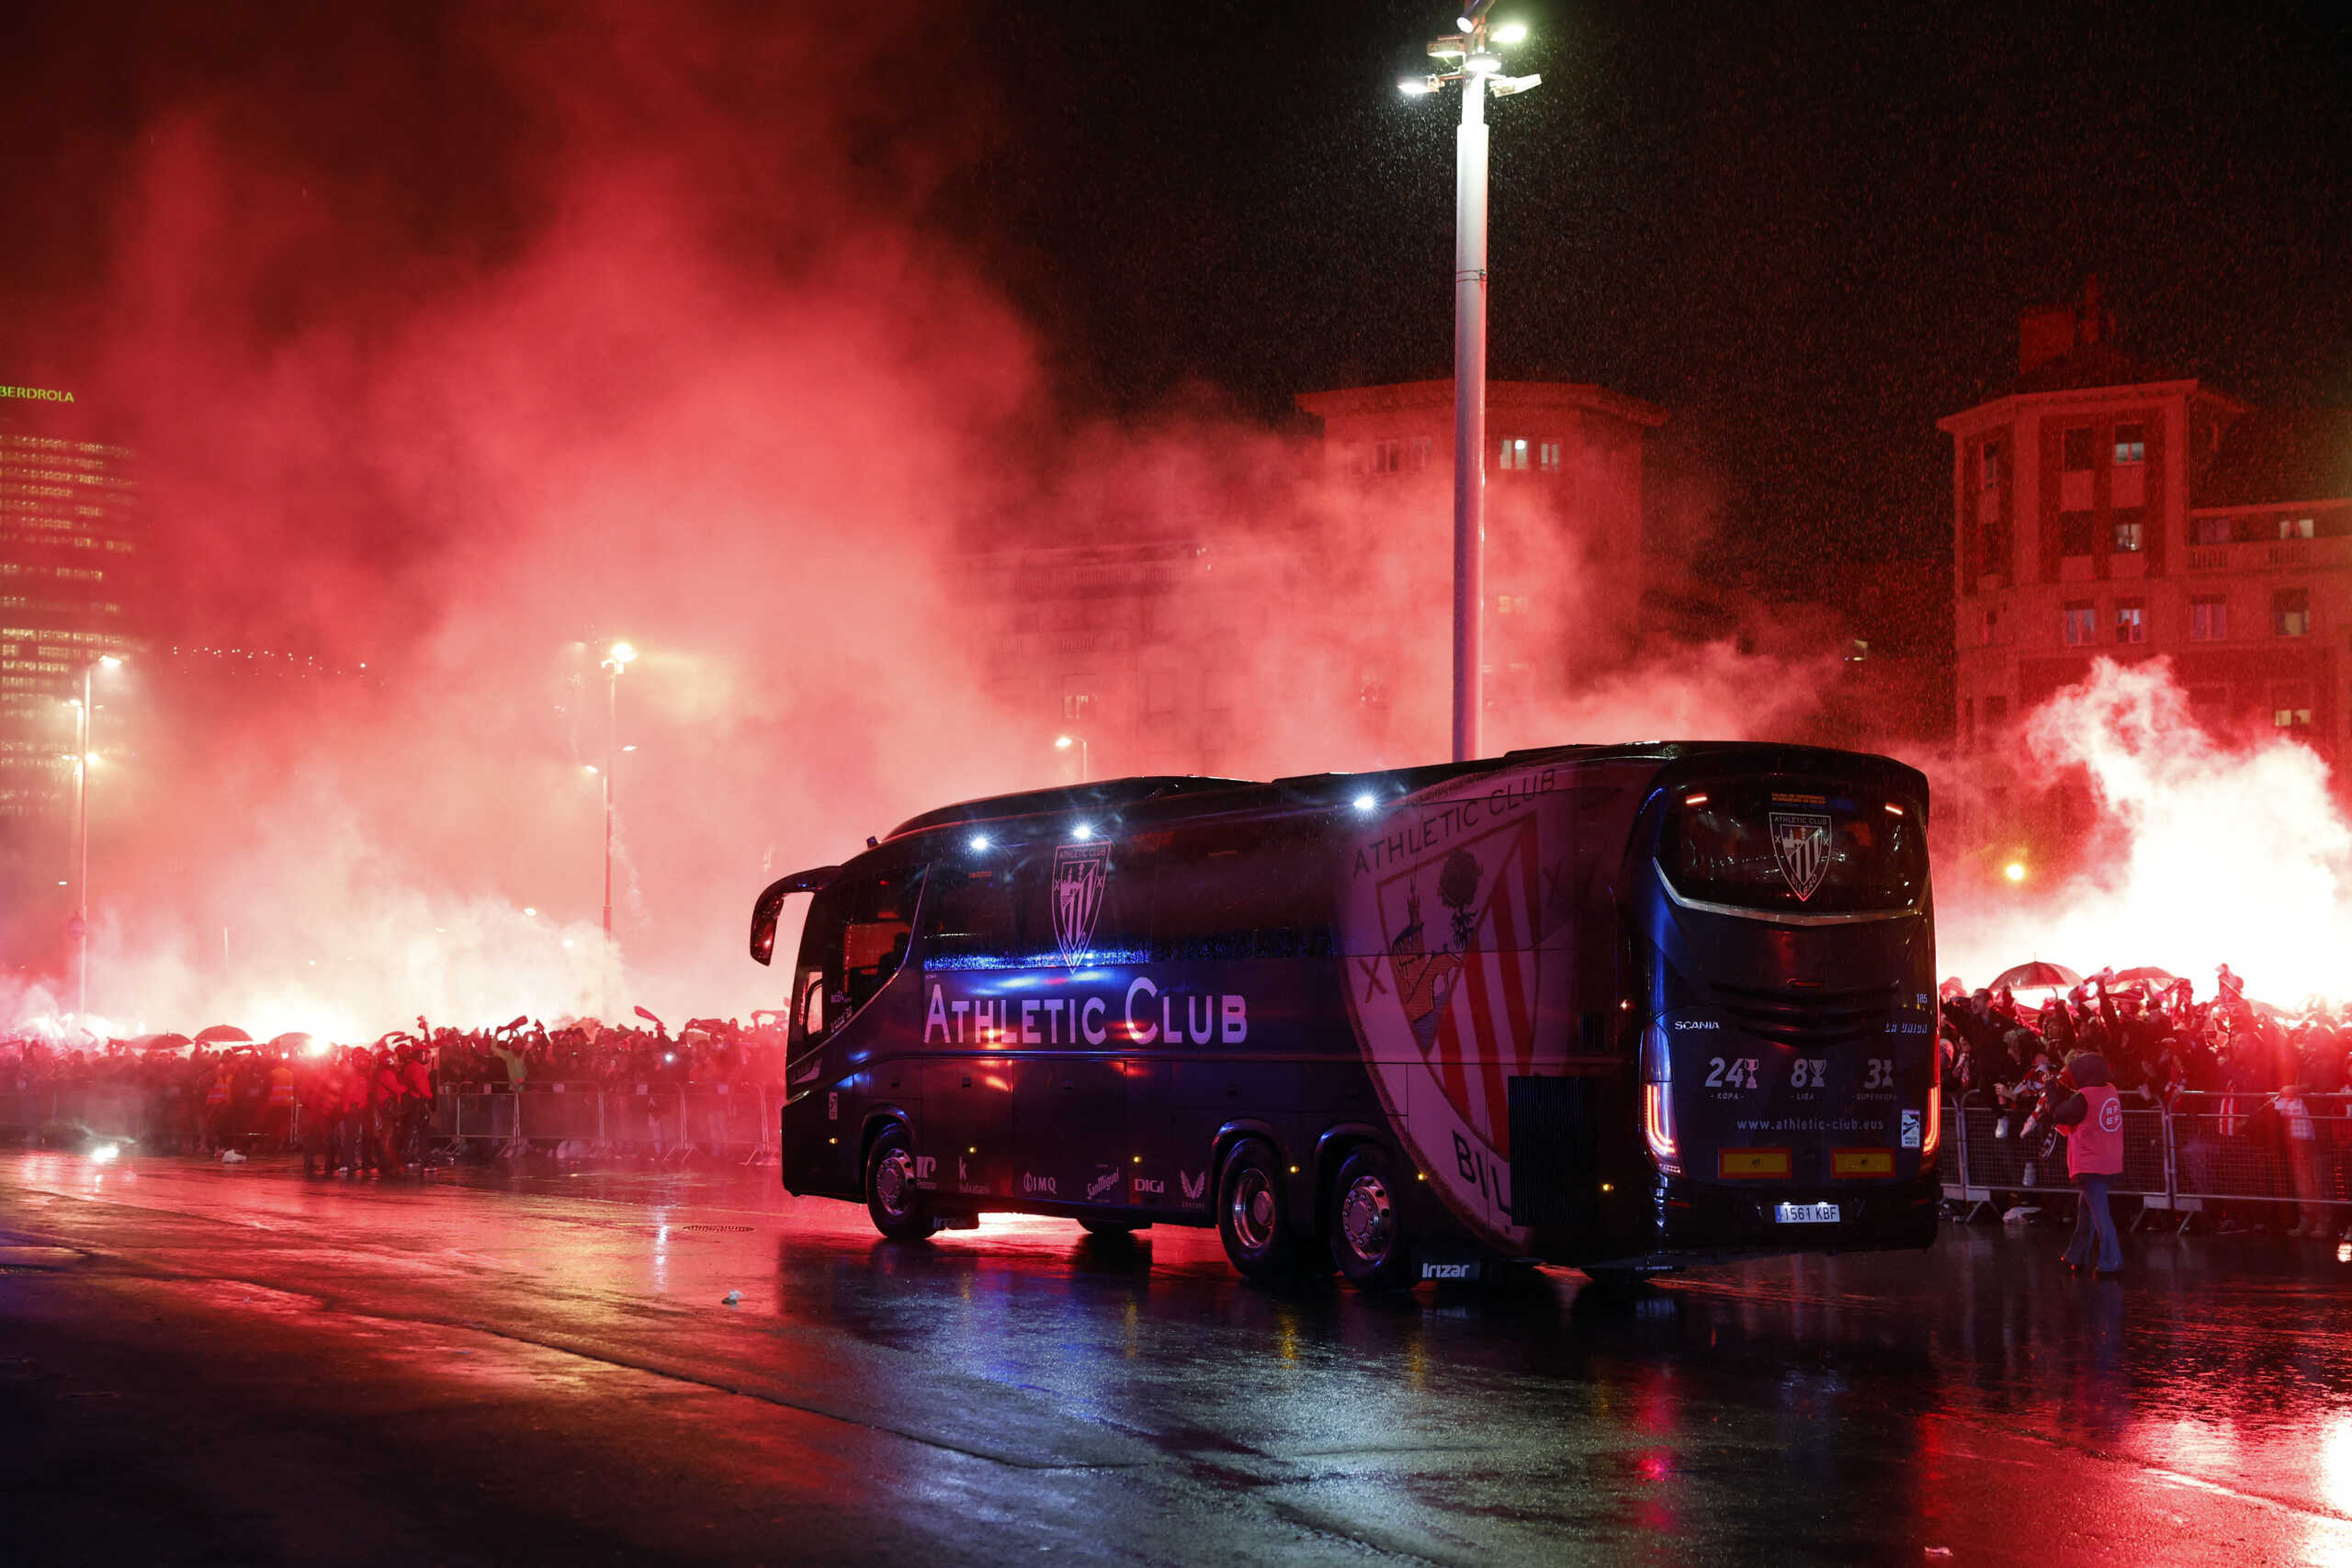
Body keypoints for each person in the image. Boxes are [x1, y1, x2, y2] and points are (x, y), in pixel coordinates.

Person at [2051, 1051, 2125, 1275]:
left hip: (2090, 1164)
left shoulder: (2084, 1096)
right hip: (2109, 1161)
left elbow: (2060, 1114)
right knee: (2086, 1213)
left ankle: (2111, 1262)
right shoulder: (2110, 1090)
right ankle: (2075, 1255)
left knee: (2100, 1216)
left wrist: (2052, 1091)